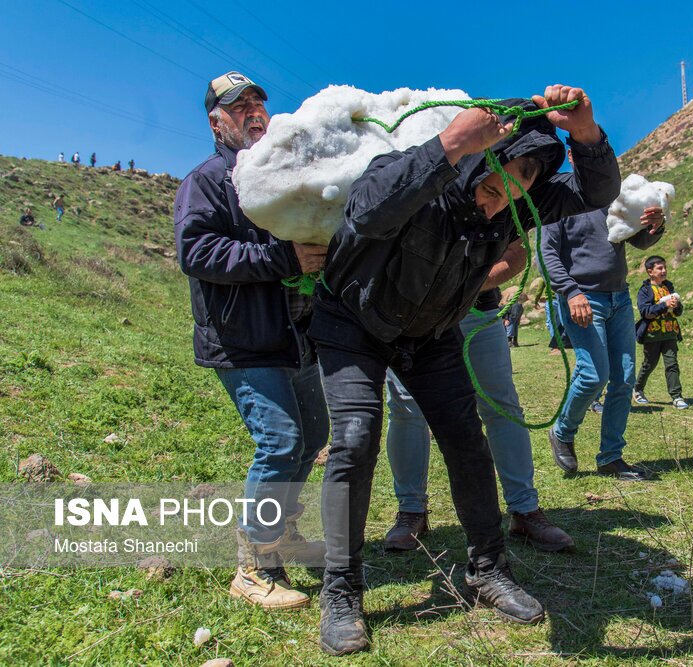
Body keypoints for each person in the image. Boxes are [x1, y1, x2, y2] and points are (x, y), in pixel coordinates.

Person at [309, 85, 620, 655]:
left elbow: (595, 192)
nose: (513, 190)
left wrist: (585, 134)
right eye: (509, 171)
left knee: (466, 443)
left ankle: (487, 568)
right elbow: (368, 211)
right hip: (352, 322)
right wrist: (453, 141)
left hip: (429, 336)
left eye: (529, 178)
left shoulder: (517, 203)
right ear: (481, 152)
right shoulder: (415, 170)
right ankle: (343, 587)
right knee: (355, 440)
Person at [174, 70, 330, 611]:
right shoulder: (209, 180)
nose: (254, 112)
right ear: (217, 123)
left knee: (313, 437)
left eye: (258, 102)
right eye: (239, 107)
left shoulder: (283, 174)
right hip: (243, 341)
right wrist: (281, 259)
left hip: (295, 336)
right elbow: (196, 252)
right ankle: (250, 567)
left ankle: (280, 533)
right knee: (281, 441)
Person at [382, 287, 574, 554]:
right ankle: (411, 511)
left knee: (502, 406)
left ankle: (524, 509)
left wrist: (464, 277)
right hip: (410, 311)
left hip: (476, 307)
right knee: (405, 408)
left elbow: (514, 253)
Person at [541, 164, 665, 481]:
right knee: (593, 373)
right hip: (582, 298)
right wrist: (570, 293)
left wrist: (654, 226)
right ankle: (562, 430)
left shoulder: (610, 193)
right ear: (572, 152)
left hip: (618, 298)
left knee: (623, 379)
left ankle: (611, 457)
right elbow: (547, 252)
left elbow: (636, 240)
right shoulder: (557, 196)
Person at [633, 255, 687, 409]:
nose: (664, 271)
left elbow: (678, 312)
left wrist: (676, 306)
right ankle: (638, 389)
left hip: (670, 333)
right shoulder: (645, 290)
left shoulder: (668, 287)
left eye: (665, 267)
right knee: (649, 364)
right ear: (650, 271)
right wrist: (663, 305)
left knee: (672, 364)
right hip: (652, 335)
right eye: (660, 268)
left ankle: (676, 397)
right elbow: (645, 312)